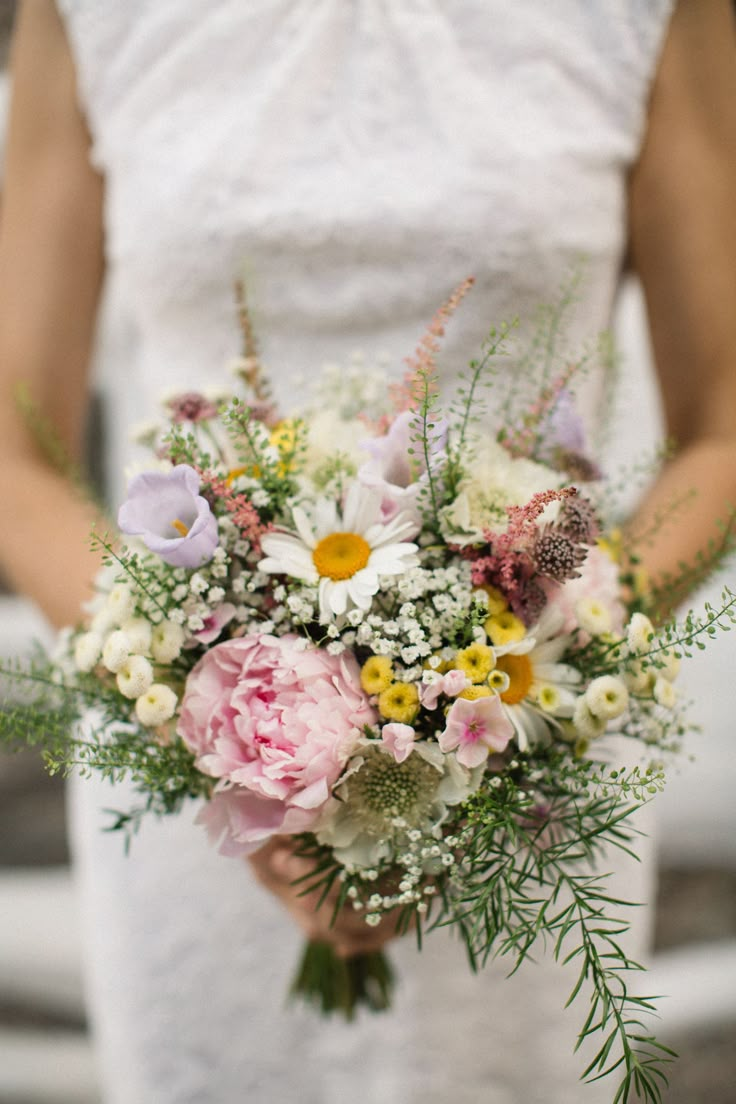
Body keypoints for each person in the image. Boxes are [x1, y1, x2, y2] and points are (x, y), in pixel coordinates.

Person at [1, 2, 735, 1101]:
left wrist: (543, 669)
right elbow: (17, 446)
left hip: (526, 770)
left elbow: (723, 416)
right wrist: (208, 720)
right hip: (200, 790)